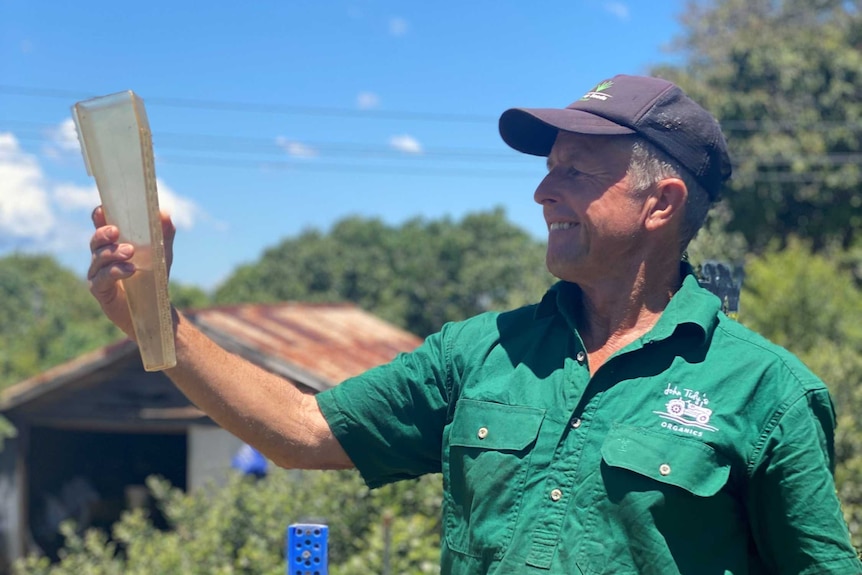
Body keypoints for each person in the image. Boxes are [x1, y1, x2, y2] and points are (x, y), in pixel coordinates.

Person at [88, 74, 862, 574]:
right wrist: (159, 324)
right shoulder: (479, 351)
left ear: (659, 204)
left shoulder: (767, 391)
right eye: (546, 167)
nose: (542, 192)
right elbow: (299, 429)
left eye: (574, 172)